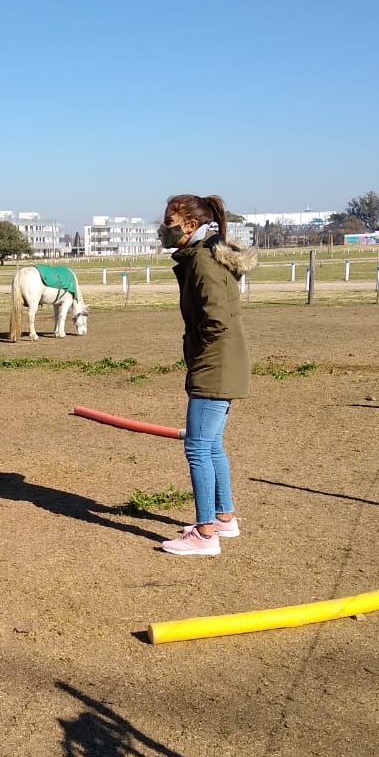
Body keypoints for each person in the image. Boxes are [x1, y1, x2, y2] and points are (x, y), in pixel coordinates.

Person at [156, 194, 256, 557]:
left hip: (216, 365)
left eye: (169, 220)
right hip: (224, 361)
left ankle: (204, 533)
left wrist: (195, 346)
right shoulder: (206, 254)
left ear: (190, 225)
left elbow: (215, 318)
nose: (162, 227)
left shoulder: (202, 261)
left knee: (197, 447)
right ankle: (224, 518)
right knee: (211, 444)